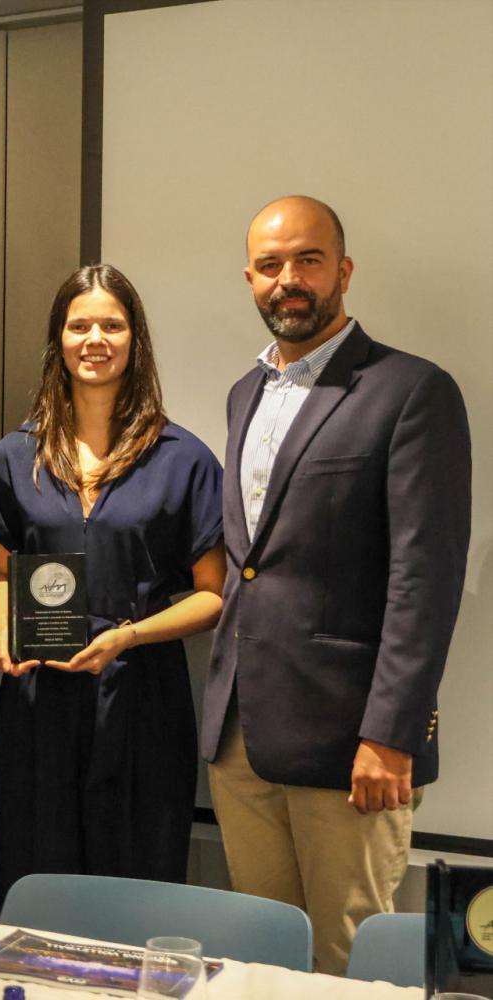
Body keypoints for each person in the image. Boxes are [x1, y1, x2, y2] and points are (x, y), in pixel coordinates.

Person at [202, 195, 472, 974]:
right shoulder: (243, 394)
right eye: (271, 265)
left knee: (346, 962)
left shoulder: (410, 391)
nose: (289, 280)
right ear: (250, 277)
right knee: (258, 953)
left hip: (353, 744)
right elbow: (251, 564)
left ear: (343, 271)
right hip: (240, 736)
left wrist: (391, 734)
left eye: (308, 261)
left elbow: (425, 580)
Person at [0, 265, 225, 906]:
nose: (96, 338)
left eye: (112, 325)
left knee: (137, 883)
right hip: (39, 698)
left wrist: (128, 636)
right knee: (41, 882)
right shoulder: (13, 456)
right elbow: (2, 575)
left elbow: (212, 595)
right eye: (79, 324)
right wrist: (4, 627)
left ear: (134, 339)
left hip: (142, 695)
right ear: (58, 340)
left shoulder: (185, 457)